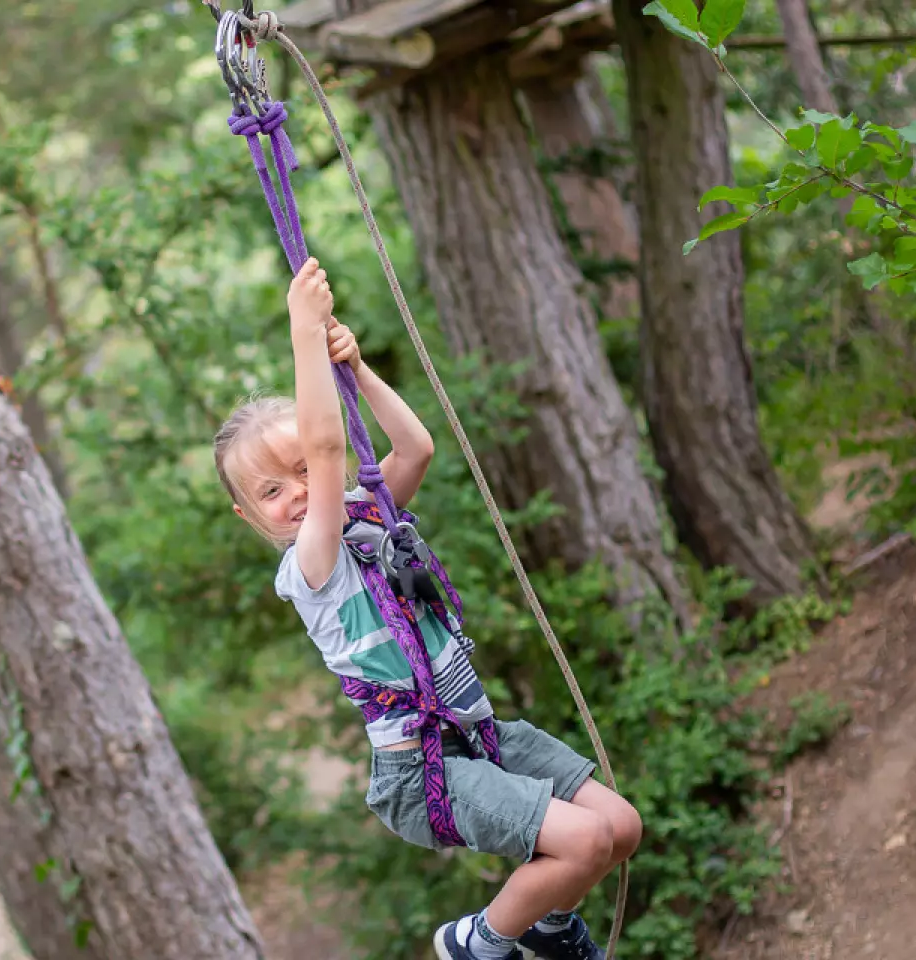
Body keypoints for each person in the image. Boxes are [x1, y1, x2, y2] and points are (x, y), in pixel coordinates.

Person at [214, 258, 641, 960]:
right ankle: (475, 943)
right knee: (585, 840)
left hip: (475, 732)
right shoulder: (312, 566)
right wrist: (302, 332)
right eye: (270, 491)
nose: (294, 493)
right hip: (422, 767)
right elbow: (324, 452)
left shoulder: (364, 515)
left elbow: (415, 447)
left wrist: (356, 374)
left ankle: (547, 928)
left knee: (620, 829)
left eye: (300, 475)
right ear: (248, 516)